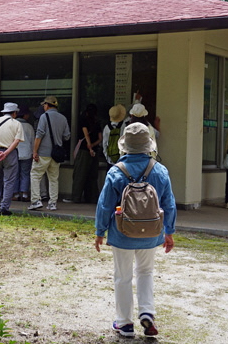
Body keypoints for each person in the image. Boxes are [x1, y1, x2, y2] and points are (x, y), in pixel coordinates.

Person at [95, 122, 177, 338]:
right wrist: (168, 231)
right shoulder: (159, 170)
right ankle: (147, 312)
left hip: (122, 233)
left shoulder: (116, 171)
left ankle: (124, 324)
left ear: (125, 146)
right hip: (151, 233)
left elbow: (104, 205)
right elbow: (169, 204)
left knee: (122, 276)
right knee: (146, 272)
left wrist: (99, 231)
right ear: (148, 145)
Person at [28, 96, 71, 211]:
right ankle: (52, 203)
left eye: (44, 105)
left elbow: (39, 134)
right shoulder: (63, 118)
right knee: (53, 178)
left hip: (43, 152)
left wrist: (35, 151)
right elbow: (67, 136)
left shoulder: (44, 116)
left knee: (35, 175)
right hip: (56, 155)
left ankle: (36, 200)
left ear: (47, 105)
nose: (43, 107)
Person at [0, 102, 25, 215]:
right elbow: (17, 140)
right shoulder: (17, 124)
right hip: (10, 153)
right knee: (9, 180)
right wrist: (6, 152)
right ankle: (4, 207)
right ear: (14, 113)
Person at [70, 104, 102, 203]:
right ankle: (92, 198)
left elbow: (85, 133)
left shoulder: (83, 120)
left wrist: (89, 146)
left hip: (84, 150)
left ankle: (76, 198)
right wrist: (93, 146)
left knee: (80, 175)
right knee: (92, 176)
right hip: (95, 152)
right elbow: (100, 139)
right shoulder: (97, 123)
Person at [13, 105, 35, 202]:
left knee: (15, 174)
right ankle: (25, 194)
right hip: (26, 153)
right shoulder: (29, 127)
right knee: (25, 174)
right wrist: (34, 152)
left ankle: (16, 194)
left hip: (15, 152)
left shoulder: (13, 125)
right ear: (25, 115)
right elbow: (33, 141)